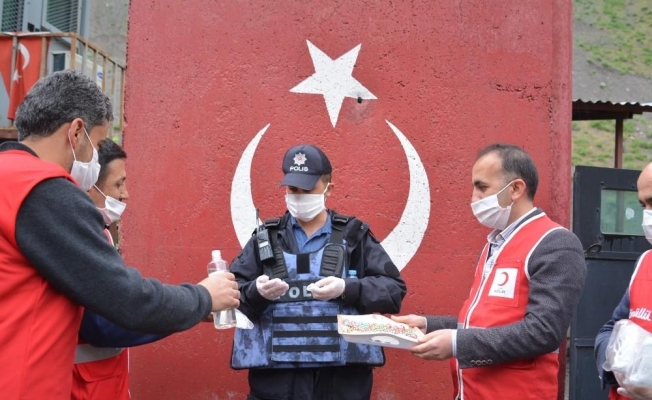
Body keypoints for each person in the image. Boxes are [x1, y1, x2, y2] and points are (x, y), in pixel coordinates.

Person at [0, 70, 240, 400]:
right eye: (97, 145)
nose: (94, 159)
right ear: (77, 132)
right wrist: (203, 297)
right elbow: (125, 299)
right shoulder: (46, 191)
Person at [393, 143, 586, 400]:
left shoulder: (555, 243)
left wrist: (456, 343)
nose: (474, 198)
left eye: (482, 187)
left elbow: (543, 331)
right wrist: (427, 325)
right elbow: (486, 322)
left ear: (516, 189)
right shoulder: (494, 244)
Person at [229, 144, 407, 400]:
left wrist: (347, 288)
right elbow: (230, 296)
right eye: (293, 190)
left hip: (341, 385)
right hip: (276, 385)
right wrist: (255, 292)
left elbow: (393, 291)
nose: (299, 196)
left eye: (308, 190)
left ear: (328, 189)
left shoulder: (354, 237)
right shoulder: (264, 239)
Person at [71, 139, 165, 400]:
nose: (125, 194)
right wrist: (187, 309)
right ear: (89, 186)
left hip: (104, 384)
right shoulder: (80, 241)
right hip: (83, 388)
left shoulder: (100, 233)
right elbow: (103, 325)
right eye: (118, 183)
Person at [595, 162, 652, 400]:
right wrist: (619, 367)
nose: (647, 214)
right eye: (643, 205)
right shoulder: (645, 261)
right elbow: (610, 330)